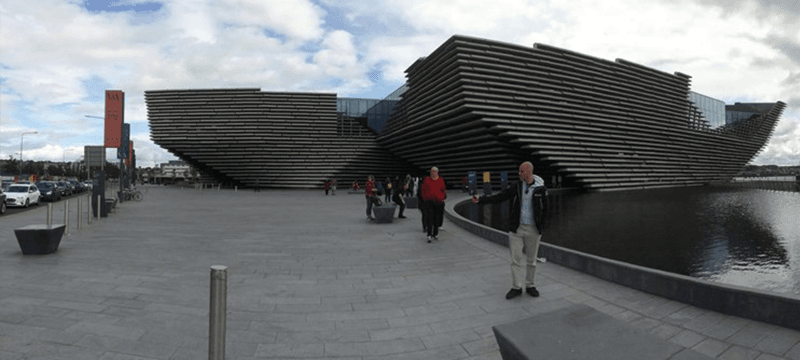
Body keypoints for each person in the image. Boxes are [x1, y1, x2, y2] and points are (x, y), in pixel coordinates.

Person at [472, 161, 548, 299]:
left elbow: (546, 209)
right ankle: (516, 287)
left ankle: (530, 285)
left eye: (521, 171)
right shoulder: (516, 186)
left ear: (529, 172)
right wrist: (481, 200)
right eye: (519, 171)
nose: (519, 173)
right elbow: (500, 197)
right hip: (517, 228)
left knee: (531, 260)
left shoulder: (540, 188)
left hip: (533, 229)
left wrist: (541, 225)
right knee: (515, 260)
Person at [420, 166, 446, 243]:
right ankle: (429, 234)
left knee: (436, 218)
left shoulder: (441, 180)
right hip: (429, 201)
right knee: (429, 217)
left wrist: (441, 198)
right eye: (432, 172)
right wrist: (425, 198)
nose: (433, 173)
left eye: (434, 172)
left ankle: (435, 233)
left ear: (437, 172)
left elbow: (443, 190)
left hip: (438, 201)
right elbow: (423, 190)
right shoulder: (427, 180)